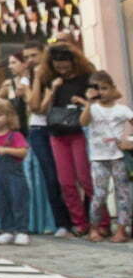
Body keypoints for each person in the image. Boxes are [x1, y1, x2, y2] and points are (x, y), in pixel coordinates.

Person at [31, 42, 98, 236]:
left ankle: (98, 222)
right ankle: (79, 222)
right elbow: (38, 109)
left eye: (65, 64)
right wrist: (50, 90)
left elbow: (97, 102)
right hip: (57, 133)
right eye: (57, 66)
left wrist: (82, 102)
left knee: (86, 180)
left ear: (73, 61)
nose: (62, 69)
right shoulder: (51, 79)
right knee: (66, 182)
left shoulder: (85, 78)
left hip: (79, 132)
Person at [22, 41, 72, 236]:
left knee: (65, 177)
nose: (30, 60)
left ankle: (75, 220)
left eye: (34, 55)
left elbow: (40, 106)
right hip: (38, 129)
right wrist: (38, 82)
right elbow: (36, 107)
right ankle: (61, 222)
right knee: (50, 176)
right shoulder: (30, 78)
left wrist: (48, 92)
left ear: (45, 55)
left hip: (59, 127)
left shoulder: (58, 74)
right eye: (26, 57)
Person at [80, 71, 131, 243]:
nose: (101, 92)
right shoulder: (93, 109)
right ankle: (94, 228)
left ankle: (122, 230)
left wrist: (129, 142)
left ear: (113, 89)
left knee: (122, 193)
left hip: (117, 157)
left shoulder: (122, 110)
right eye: (97, 89)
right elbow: (83, 122)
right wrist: (88, 102)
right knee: (99, 194)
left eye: (105, 88)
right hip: (98, 158)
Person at [0, 99, 30, 246]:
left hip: (15, 176)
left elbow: (23, 152)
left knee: (18, 202)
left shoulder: (14, 135)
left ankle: (22, 230)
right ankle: (7, 230)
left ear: (9, 116)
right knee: (3, 203)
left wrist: (7, 150)